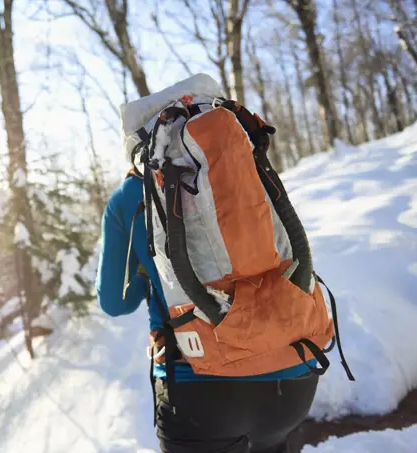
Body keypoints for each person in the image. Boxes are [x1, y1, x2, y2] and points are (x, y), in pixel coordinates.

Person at [96, 76, 324, 453]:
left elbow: (115, 303)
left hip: (199, 384)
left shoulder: (129, 197)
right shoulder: (242, 167)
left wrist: (145, 272)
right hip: (292, 375)